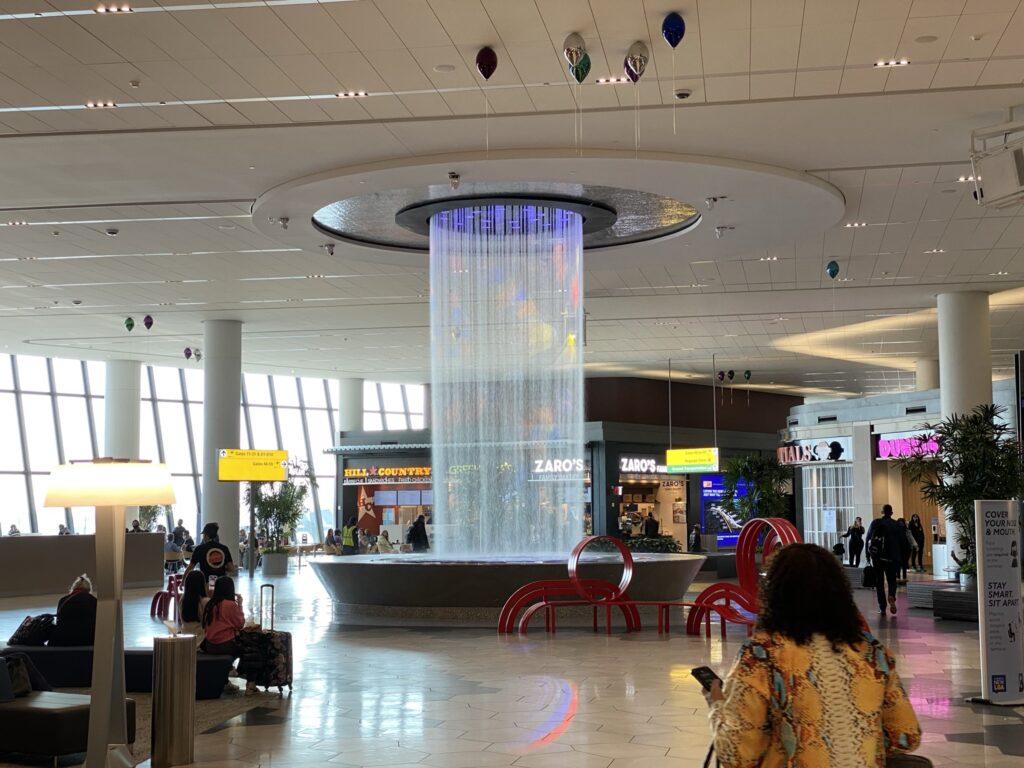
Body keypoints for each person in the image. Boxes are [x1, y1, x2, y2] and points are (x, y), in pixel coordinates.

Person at [705, 544, 921, 767]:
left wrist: (717, 705)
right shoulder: (872, 654)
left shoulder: (762, 656)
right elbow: (906, 736)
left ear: (775, 593)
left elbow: (738, 753)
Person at [201, 576, 247, 692]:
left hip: (210, 645)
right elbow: (240, 624)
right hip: (226, 645)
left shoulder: (210, 604)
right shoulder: (230, 605)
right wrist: (240, 605)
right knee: (248, 647)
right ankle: (244, 675)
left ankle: (226, 673)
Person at [866, 504, 904, 616]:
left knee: (879, 581)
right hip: (891, 558)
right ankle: (891, 595)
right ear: (891, 513)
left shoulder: (876, 523)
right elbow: (902, 542)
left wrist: (868, 554)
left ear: (882, 512)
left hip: (877, 557)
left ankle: (882, 607)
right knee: (892, 580)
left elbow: (868, 538)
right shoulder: (897, 525)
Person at [48, 574, 98, 646]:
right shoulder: (93, 601)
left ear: (74, 587)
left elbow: (59, 621)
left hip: (62, 642)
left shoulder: (63, 600)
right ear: (89, 589)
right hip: (87, 642)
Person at [179, 570, 208, 643]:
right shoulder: (205, 601)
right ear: (202, 584)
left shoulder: (183, 599)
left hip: (185, 639)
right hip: (201, 640)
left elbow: (181, 621)